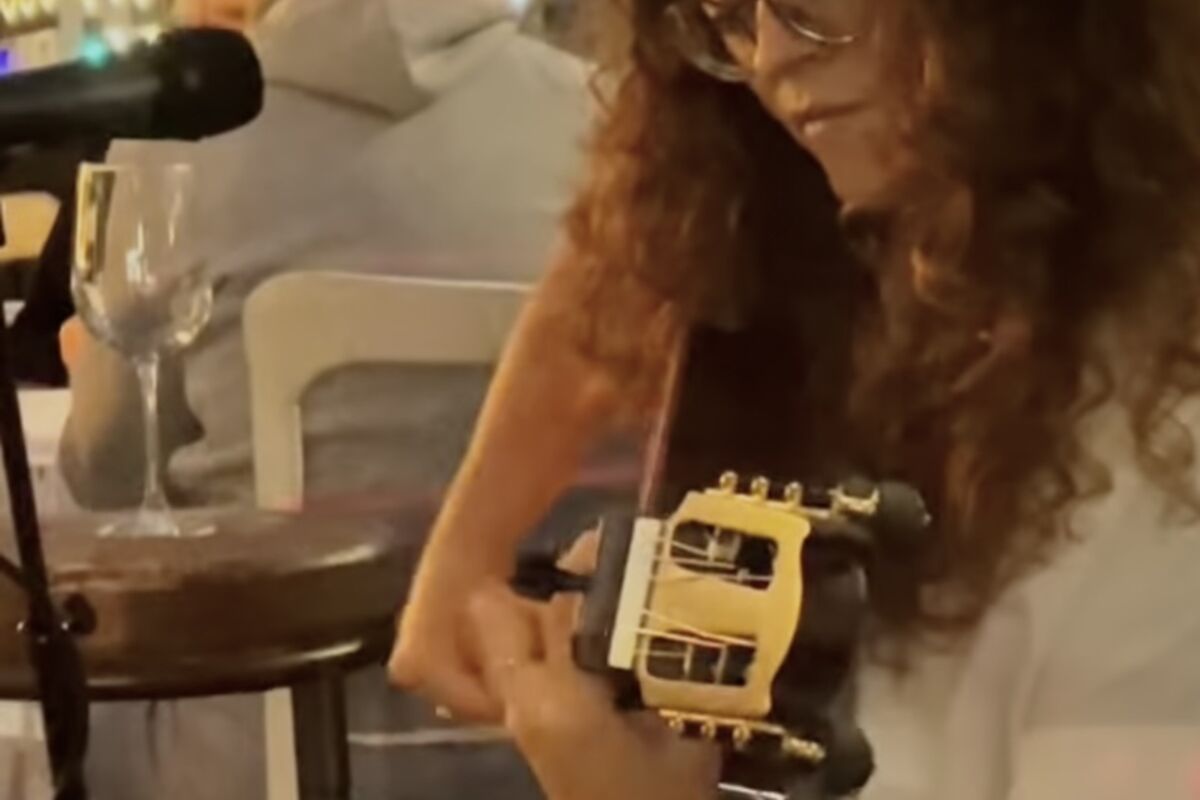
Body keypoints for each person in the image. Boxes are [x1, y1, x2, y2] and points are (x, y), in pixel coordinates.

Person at [391, 1, 1200, 798]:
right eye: (727, 16)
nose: (772, 58)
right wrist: (470, 550)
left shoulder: (1159, 488)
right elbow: (643, 223)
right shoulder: (888, 240)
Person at [57, 0, 589, 798]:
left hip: (256, 761)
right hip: (569, 748)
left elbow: (106, 478)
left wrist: (84, 364)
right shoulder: (613, 129)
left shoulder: (177, 143)